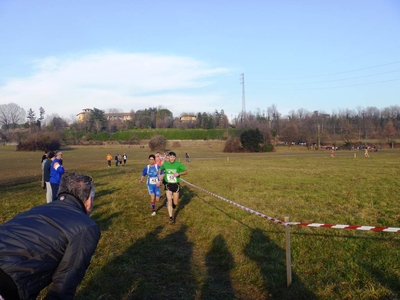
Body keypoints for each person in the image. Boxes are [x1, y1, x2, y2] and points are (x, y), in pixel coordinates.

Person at [0, 173, 100, 300]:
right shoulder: (86, 227)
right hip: (7, 279)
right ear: (89, 201)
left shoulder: (38, 209)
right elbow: (67, 280)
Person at [159, 151, 187, 224]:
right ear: (169, 157)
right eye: (171, 157)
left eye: (173, 157)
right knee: (169, 200)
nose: (172, 159)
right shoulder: (165, 164)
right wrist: (160, 175)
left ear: (175, 158)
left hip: (176, 185)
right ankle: (171, 217)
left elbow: (186, 171)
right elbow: (160, 169)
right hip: (168, 184)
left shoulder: (178, 164)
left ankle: (173, 206)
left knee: (175, 203)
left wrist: (179, 173)